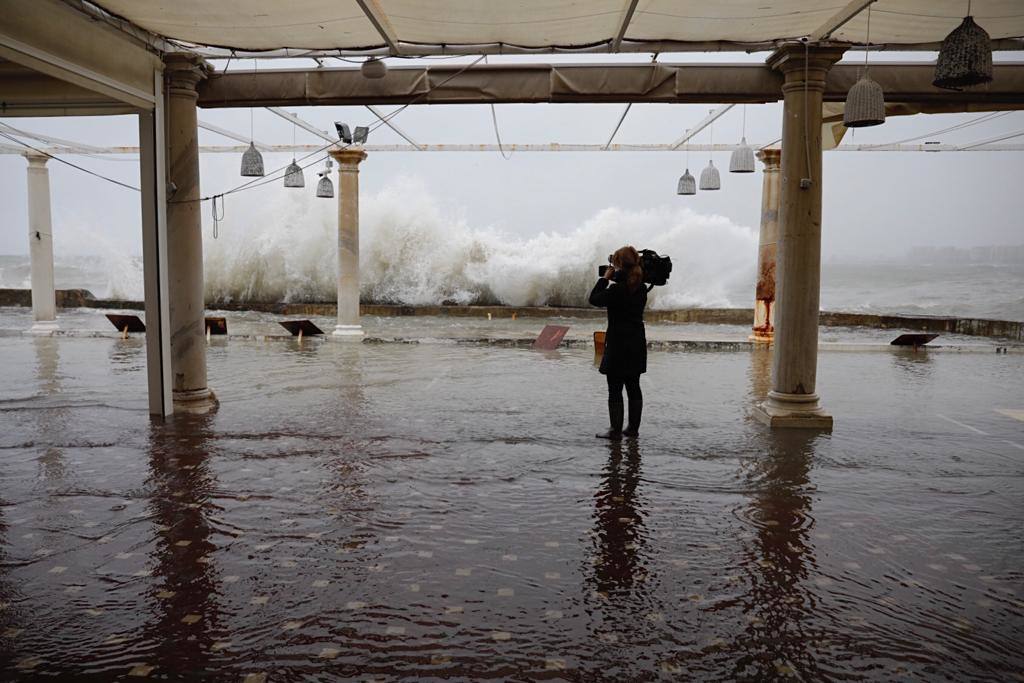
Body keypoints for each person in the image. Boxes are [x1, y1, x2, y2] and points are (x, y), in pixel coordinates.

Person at [589, 245, 647, 439]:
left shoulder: (616, 289)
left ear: (619, 265)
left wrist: (604, 279)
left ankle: (615, 431)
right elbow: (630, 283)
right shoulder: (642, 288)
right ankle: (633, 429)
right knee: (633, 385)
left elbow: (594, 299)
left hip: (618, 342)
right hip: (637, 341)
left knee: (615, 387)